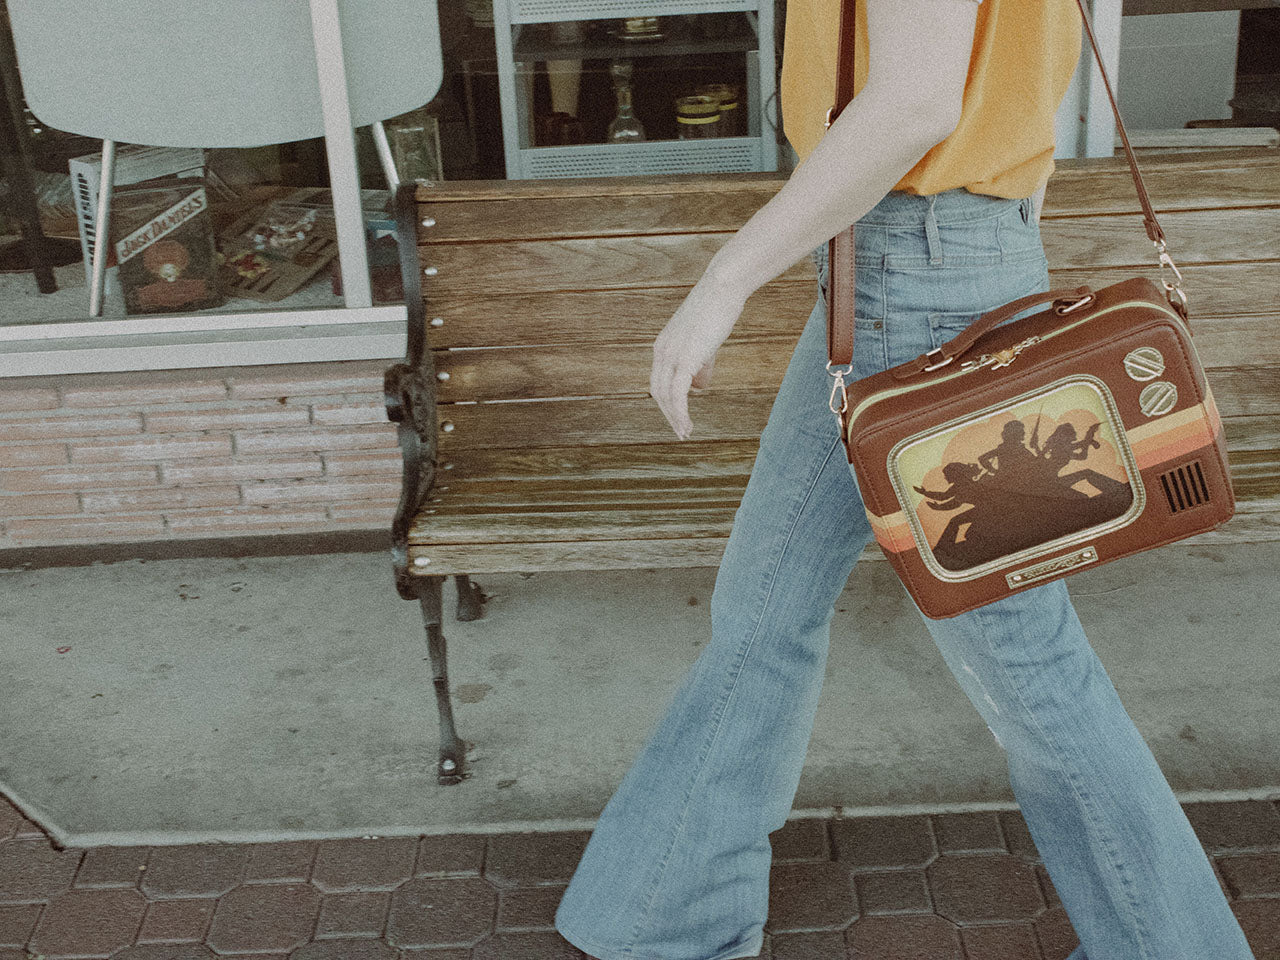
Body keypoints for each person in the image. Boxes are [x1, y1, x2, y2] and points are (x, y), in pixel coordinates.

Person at [554, 0, 1259, 957]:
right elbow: (1011, 92)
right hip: (912, 265)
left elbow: (917, 104)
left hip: (909, 273)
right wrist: (993, 247)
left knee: (1024, 658)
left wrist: (721, 283)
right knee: (766, 609)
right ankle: (662, 919)